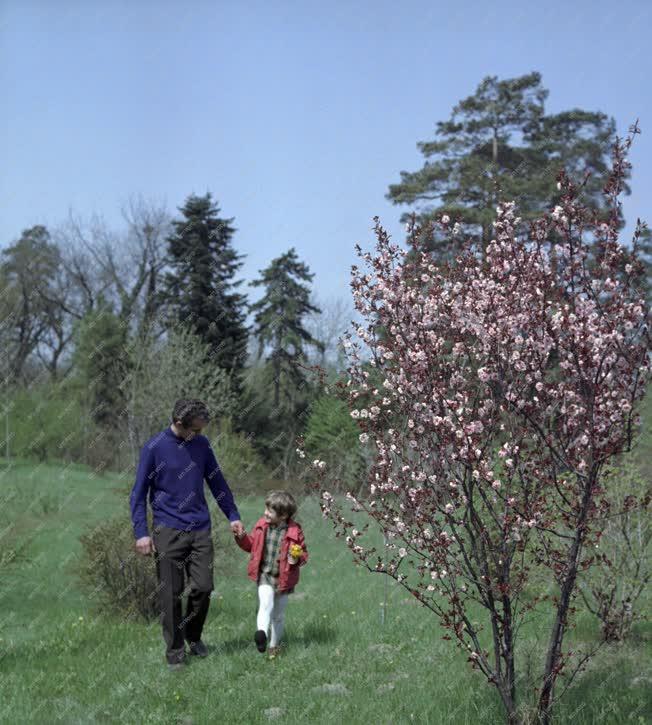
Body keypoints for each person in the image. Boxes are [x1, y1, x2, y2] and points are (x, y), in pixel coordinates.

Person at [129, 398, 245, 670]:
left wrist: (233, 515)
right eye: (196, 429)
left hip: (200, 528)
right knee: (170, 594)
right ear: (179, 424)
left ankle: (193, 636)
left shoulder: (202, 446)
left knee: (204, 587)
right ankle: (175, 652)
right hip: (167, 530)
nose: (200, 435)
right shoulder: (154, 448)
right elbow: (138, 495)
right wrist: (141, 533)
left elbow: (217, 482)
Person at [234, 490, 308, 659]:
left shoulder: (295, 531)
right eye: (266, 508)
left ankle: (274, 647)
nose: (265, 513)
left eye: (270, 510)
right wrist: (241, 537)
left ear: (283, 515)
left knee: (278, 616)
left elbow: (304, 554)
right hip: (265, 576)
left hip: (284, 579)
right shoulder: (261, 525)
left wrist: (296, 558)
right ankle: (261, 635)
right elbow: (251, 545)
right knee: (265, 604)